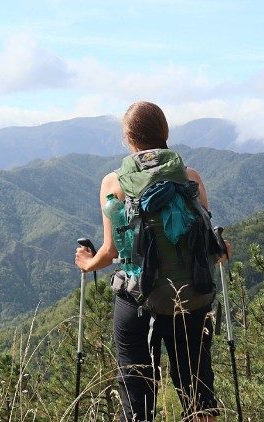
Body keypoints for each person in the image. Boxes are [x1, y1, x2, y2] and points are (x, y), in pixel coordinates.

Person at [75, 101, 229, 422]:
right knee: (198, 394)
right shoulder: (190, 178)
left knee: (137, 401)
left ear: (128, 138)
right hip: (190, 299)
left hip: (137, 300)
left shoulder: (113, 183)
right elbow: (206, 244)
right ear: (165, 133)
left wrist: (88, 264)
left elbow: (111, 252)